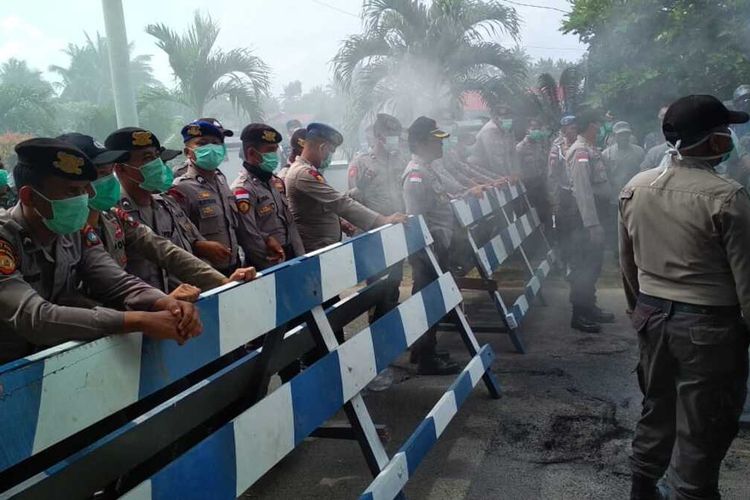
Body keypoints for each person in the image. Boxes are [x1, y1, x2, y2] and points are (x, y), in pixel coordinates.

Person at [620, 95, 750, 500]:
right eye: (725, 131)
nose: (731, 137)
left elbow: (627, 263)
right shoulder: (728, 197)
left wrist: (639, 309)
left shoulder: (636, 187)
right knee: (703, 423)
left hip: (652, 317)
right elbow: (748, 281)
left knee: (657, 407)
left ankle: (642, 489)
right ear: (711, 141)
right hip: (709, 329)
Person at [0, 138, 202, 364]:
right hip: (11, 374)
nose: (83, 200)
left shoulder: (74, 230)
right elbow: (35, 318)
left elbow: (117, 282)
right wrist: (135, 320)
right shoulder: (5, 239)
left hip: (63, 364)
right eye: (72, 191)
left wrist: (165, 303)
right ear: (29, 196)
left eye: (85, 190)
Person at [58, 133, 255, 302]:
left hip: (146, 316)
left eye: (108, 172)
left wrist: (221, 281)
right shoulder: (64, 227)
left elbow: (165, 250)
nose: (108, 180)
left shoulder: (113, 216)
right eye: (101, 174)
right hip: (112, 326)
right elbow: (104, 286)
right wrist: (158, 302)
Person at [107, 127, 228, 292]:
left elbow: (183, 252)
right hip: (144, 310)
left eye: (157, 156)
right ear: (120, 168)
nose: (157, 164)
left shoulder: (166, 204)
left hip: (184, 301)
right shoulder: (113, 214)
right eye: (147, 158)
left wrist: (222, 283)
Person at [402, 116, 463, 376]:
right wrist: (427, 254)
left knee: (432, 301)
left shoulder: (429, 169)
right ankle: (427, 358)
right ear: (422, 142)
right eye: (436, 140)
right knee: (429, 302)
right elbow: (416, 219)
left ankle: (424, 348)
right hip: (428, 250)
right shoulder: (416, 174)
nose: (441, 145)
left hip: (438, 245)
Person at [285, 122, 406, 253]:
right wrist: (382, 221)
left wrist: (341, 222)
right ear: (322, 147)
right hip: (315, 249)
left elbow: (329, 202)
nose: (329, 158)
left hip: (324, 247)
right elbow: (339, 202)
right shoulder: (303, 173)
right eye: (330, 152)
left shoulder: (308, 170)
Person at [348, 113, 407, 321]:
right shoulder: (361, 163)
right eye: (390, 135)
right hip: (373, 234)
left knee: (395, 280)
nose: (394, 140)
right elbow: (353, 202)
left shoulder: (401, 160)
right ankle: (378, 328)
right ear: (378, 136)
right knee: (376, 284)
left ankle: (391, 324)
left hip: (397, 230)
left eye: (396, 135)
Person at [561, 109, 615, 333]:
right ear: (590, 126)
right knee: (583, 265)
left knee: (593, 264)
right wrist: (592, 224)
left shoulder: (590, 148)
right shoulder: (580, 151)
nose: (602, 128)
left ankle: (589, 306)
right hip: (584, 216)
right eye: (599, 124)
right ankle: (579, 314)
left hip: (596, 212)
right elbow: (583, 191)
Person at [171, 120, 240, 276]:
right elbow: (177, 237)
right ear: (188, 152)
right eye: (202, 144)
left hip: (234, 266)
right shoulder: (181, 188)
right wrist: (198, 245)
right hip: (205, 274)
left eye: (216, 143)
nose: (211, 148)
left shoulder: (221, 181)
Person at [231, 123, 304, 270]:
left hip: (291, 256)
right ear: (251, 153)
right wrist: (275, 266)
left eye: (275, 151)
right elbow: (249, 236)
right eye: (270, 151)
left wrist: (300, 256)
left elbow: (290, 224)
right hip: (268, 263)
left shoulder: (275, 182)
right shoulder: (243, 189)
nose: (274, 156)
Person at [516, 118, 552, 230]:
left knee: (547, 213)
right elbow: (517, 169)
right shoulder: (520, 148)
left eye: (537, 128)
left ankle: (551, 238)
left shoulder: (540, 144)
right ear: (527, 130)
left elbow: (546, 163)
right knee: (532, 217)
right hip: (529, 187)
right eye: (533, 128)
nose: (536, 131)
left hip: (542, 184)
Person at [474, 104, 519, 177]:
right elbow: (495, 159)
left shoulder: (507, 129)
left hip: (495, 170)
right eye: (504, 117)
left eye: (509, 117)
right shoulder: (490, 130)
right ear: (495, 118)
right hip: (483, 171)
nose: (507, 120)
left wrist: (515, 173)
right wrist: (506, 177)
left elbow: (512, 154)